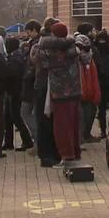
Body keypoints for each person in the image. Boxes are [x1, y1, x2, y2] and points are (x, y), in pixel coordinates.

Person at [38, 22, 85, 167]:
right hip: (75, 90)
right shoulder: (74, 49)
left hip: (59, 92)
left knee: (61, 126)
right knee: (74, 123)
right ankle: (75, 153)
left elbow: (41, 62)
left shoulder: (49, 51)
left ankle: (66, 156)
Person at [31, 18, 61, 167]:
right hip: (48, 86)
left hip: (41, 85)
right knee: (48, 121)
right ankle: (49, 154)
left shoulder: (37, 44)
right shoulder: (51, 47)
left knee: (44, 120)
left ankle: (47, 154)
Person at [4, 36, 34, 151]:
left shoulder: (15, 58)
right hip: (12, 90)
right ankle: (8, 142)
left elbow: (13, 74)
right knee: (8, 116)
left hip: (15, 90)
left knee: (16, 116)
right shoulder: (17, 56)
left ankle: (26, 140)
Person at [18, 20, 42, 154]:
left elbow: (33, 65)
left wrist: (27, 74)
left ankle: (38, 141)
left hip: (32, 83)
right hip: (32, 83)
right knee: (30, 113)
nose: (27, 34)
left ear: (34, 30)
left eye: (28, 31)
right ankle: (38, 142)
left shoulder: (37, 44)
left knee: (26, 113)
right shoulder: (33, 43)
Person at [75, 34, 101, 143]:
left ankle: (85, 135)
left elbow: (94, 76)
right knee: (80, 116)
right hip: (78, 91)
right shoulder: (74, 58)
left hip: (89, 90)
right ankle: (80, 138)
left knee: (90, 113)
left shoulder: (90, 59)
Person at [93, 30, 109, 135]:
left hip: (107, 83)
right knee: (104, 109)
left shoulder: (96, 50)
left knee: (106, 108)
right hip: (106, 83)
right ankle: (105, 130)